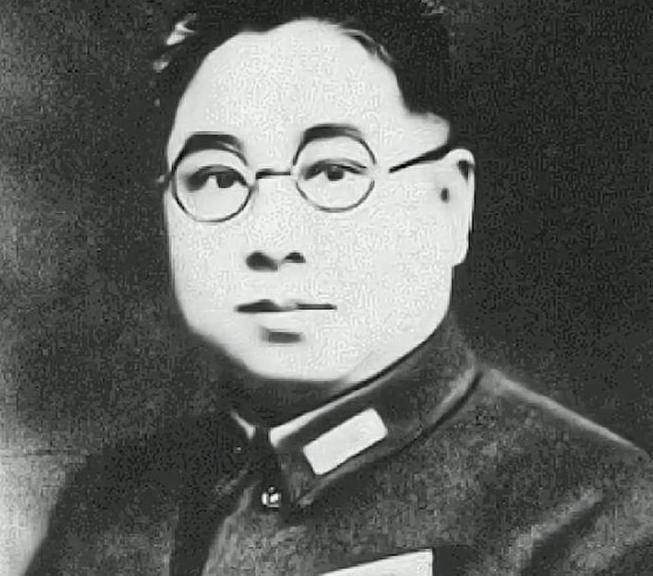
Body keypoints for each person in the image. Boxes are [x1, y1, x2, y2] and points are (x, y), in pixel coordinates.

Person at [24, 1, 653, 574]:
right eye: (218, 177)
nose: (272, 240)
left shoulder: (599, 514)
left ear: (448, 202)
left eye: (333, 171)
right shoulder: (106, 504)